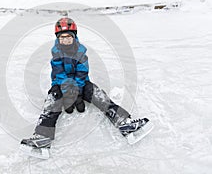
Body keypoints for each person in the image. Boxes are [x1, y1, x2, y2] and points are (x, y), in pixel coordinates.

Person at [20, 18, 153, 158]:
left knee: (98, 95)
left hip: (81, 83)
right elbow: (59, 75)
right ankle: (42, 136)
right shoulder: (56, 54)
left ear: (74, 37)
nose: (65, 41)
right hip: (61, 85)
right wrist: (67, 92)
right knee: (52, 100)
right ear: (58, 39)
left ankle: (124, 123)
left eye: (69, 38)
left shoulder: (81, 52)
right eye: (62, 38)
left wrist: (76, 91)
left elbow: (82, 73)